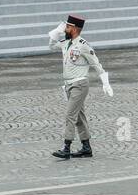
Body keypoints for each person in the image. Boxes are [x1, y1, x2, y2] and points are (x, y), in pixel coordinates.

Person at [48, 13, 113, 160]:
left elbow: (96, 63)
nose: (66, 28)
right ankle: (86, 147)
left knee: (70, 115)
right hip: (68, 85)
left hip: (80, 84)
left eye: (68, 26)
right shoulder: (66, 42)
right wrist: (57, 32)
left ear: (76, 29)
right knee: (79, 117)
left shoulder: (83, 45)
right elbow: (51, 45)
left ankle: (66, 147)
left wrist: (106, 82)